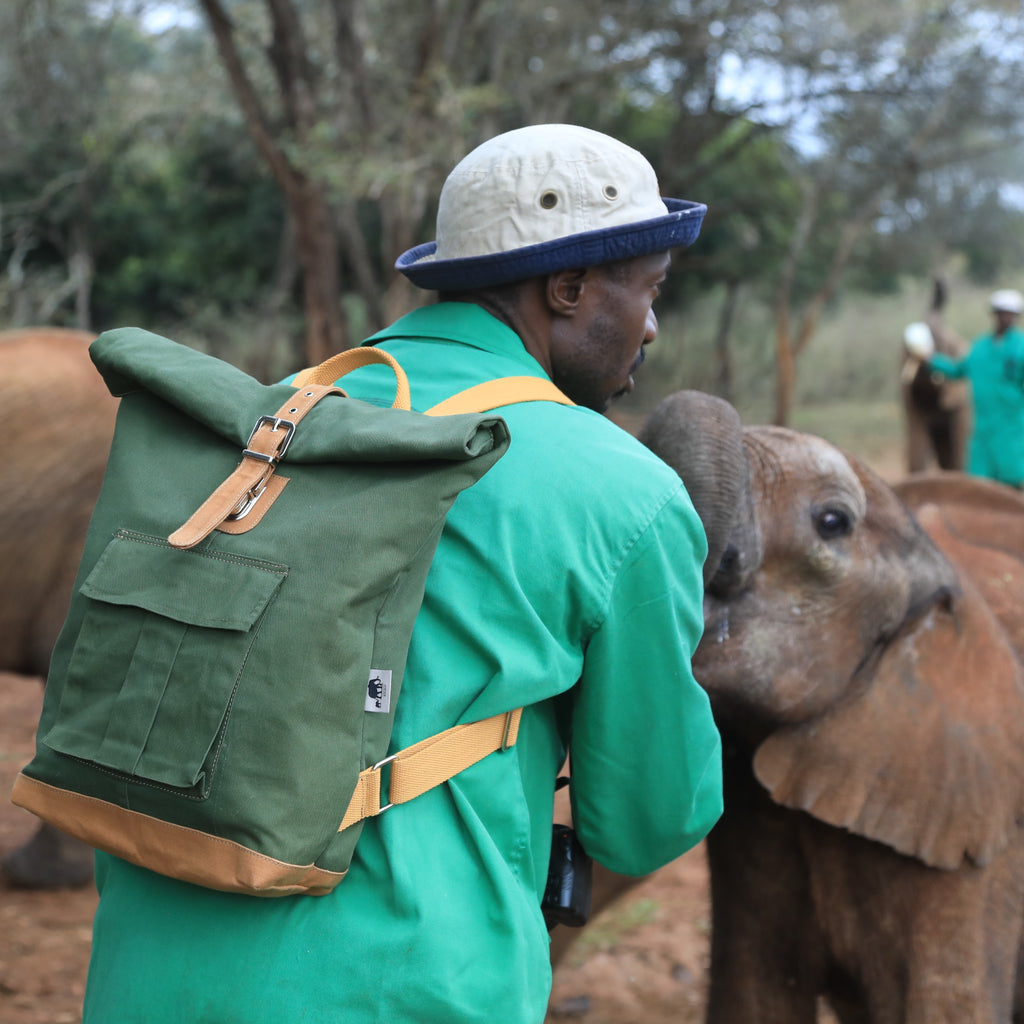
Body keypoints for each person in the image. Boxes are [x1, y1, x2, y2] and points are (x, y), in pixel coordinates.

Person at [81, 124, 724, 1024]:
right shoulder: (623, 491)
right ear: (569, 287)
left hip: (144, 977)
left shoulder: (268, 420)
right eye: (649, 290)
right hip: (402, 985)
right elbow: (648, 819)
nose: (651, 325)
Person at [924, 287, 1024, 487]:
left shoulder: (1021, 347)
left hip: (1012, 427)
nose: (1006, 318)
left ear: (1017, 316)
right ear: (994, 314)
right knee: (980, 485)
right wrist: (930, 359)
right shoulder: (979, 347)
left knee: (1011, 481)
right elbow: (957, 369)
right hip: (982, 428)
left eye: (1010, 314)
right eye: (1001, 312)